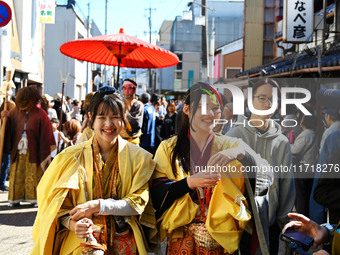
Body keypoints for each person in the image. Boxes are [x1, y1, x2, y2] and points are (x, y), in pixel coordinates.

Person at [151, 83, 271, 254]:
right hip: (182, 237)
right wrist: (189, 183)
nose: (209, 113)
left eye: (215, 108)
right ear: (186, 109)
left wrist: (241, 154)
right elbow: (157, 191)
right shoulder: (168, 148)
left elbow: (265, 175)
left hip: (220, 239)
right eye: (201, 107)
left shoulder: (232, 145)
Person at [31, 91, 156, 255]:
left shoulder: (140, 158)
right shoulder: (70, 157)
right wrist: (74, 225)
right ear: (91, 117)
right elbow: (56, 207)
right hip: (80, 238)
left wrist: (98, 205)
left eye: (115, 116)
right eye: (102, 117)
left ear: (123, 118)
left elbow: (138, 202)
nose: (109, 124)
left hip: (124, 237)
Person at [227, 78, 295, 254]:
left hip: (269, 225)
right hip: (239, 225)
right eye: (262, 98)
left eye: (272, 99)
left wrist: (284, 223)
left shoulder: (282, 142)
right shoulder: (235, 135)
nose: (268, 104)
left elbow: (287, 186)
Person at [1, 86, 56, 207]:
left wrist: (45, 150)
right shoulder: (14, 112)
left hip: (34, 150)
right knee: (17, 174)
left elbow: (47, 132)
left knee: (34, 173)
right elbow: (7, 128)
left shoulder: (40, 114)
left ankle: (35, 198)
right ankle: (15, 198)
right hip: (18, 149)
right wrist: (3, 117)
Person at [291, 115, 319, 217]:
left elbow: (295, 150)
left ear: (305, 122)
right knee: (307, 195)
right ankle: (307, 216)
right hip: (311, 168)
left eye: (302, 119)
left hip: (303, 169)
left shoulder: (305, 135)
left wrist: (287, 146)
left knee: (301, 195)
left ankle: (302, 217)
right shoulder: (314, 134)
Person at [0, 86, 16, 192]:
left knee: (5, 164)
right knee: (4, 163)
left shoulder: (11, 119)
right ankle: (1, 182)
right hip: (4, 144)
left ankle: (2, 182)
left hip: (7, 145)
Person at [119, 79, 144, 144]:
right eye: (124, 88)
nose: (126, 91)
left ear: (134, 90)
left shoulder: (138, 105)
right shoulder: (119, 104)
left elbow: (136, 125)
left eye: (129, 89)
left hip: (133, 141)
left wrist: (124, 113)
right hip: (120, 140)